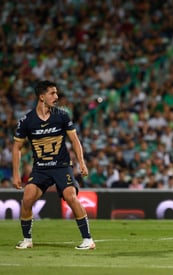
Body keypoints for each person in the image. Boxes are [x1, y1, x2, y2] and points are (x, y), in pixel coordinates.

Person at [12, 80, 95, 250]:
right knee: (27, 199)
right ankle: (27, 239)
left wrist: (82, 162)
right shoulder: (27, 121)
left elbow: (74, 140)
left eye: (56, 93)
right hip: (40, 168)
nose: (56, 97)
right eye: (52, 93)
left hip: (61, 166)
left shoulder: (62, 116)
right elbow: (16, 148)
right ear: (42, 97)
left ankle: (88, 239)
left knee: (71, 197)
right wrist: (16, 174)